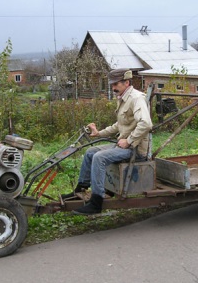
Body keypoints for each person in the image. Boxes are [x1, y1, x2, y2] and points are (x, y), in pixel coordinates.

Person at [62, 68, 153, 215]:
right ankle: (80, 190)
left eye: (116, 84)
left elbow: (146, 124)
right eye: (112, 85)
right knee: (90, 152)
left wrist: (129, 141)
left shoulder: (136, 98)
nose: (113, 88)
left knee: (99, 157)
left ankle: (96, 202)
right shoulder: (124, 99)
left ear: (127, 83)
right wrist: (99, 133)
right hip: (124, 145)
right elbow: (120, 125)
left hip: (136, 149)